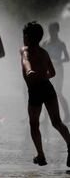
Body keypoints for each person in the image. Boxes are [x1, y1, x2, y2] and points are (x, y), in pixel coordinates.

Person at [21, 21, 70, 167]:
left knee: (34, 123)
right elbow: (53, 73)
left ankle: (40, 154)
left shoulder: (25, 50)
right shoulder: (44, 52)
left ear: (27, 37)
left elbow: (26, 61)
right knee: (57, 121)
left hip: (35, 90)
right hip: (47, 87)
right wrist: (43, 76)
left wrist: (30, 71)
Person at [42, 22, 70, 123]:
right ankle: (46, 118)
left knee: (58, 92)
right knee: (46, 93)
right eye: (49, 30)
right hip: (48, 70)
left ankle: (67, 115)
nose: (51, 32)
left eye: (53, 30)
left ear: (57, 30)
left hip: (58, 70)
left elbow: (67, 58)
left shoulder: (61, 44)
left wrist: (59, 60)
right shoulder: (45, 43)